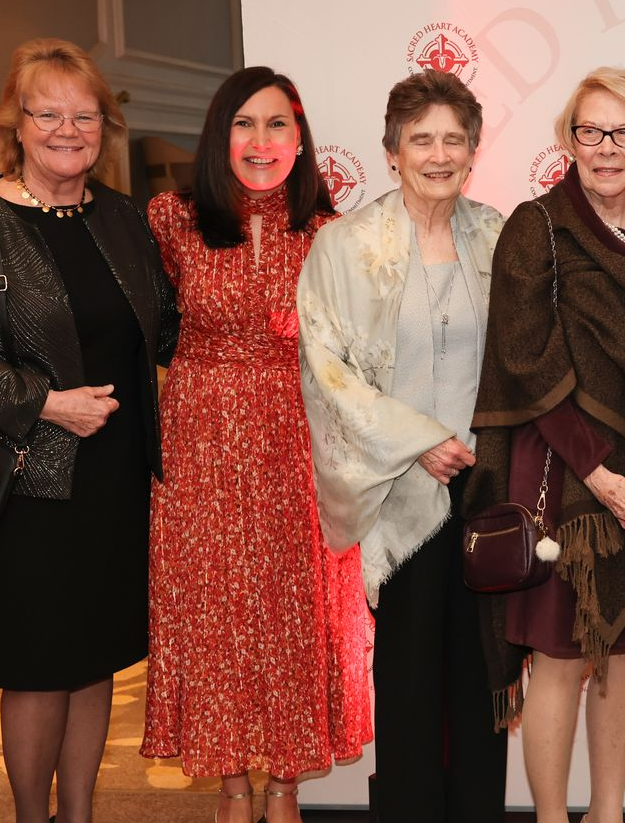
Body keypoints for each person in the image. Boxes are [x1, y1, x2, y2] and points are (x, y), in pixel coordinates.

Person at [0, 38, 177, 823]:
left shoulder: (124, 220)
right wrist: (47, 402)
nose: (69, 129)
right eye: (49, 113)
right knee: (35, 666)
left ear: (105, 127)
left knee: (94, 659)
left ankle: (79, 815)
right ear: (15, 125)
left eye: (85, 114)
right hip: (22, 478)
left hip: (113, 477)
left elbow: (165, 332)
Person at [464, 66, 625, 823]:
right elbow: (524, 361)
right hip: (563, 477)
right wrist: (597, 475)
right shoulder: (534, 227)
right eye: (589, 131)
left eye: (623, 132)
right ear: (568, 141)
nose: (606, 148)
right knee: (560, 664)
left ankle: (607, 812)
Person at [141, 67, 370, 823]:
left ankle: (284, 787)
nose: (261, 140)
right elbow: (144, 324)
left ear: (300, 140)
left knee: (289, 610)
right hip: (200, 432)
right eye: (244, 124)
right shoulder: (171, 219)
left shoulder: (331, 232)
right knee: (210, 609)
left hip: (295, 436)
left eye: (277, 124)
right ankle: (231, 786)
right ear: (220, 136)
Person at [297, 69, 507, 822]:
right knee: (411, 685)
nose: (438, 153)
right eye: (422, 139)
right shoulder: (345, 247)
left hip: (489, 494)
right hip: (402, 496)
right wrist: (420, 443)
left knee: (488, 681)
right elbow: (327, 373)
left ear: (474, 149)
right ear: (391, 151)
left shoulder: (498, 235)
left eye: (454, 138)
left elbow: (528, 359)